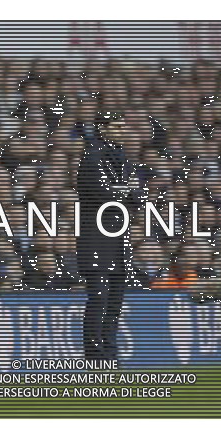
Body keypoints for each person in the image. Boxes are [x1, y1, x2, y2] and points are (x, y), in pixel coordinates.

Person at [76, 112, 142, 361]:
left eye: (124, 125)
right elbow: (103, 193)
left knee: (114, 301)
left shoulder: (121, 156)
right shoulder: (92, 155)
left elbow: (133, 193)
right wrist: (127, 190)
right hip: (96, 237)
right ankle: (95, 357)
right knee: (100, 299)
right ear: (102, 128)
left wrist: (127, 192)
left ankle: (110, 356)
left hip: (116, 235)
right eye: (117, 125)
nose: (122, 129)